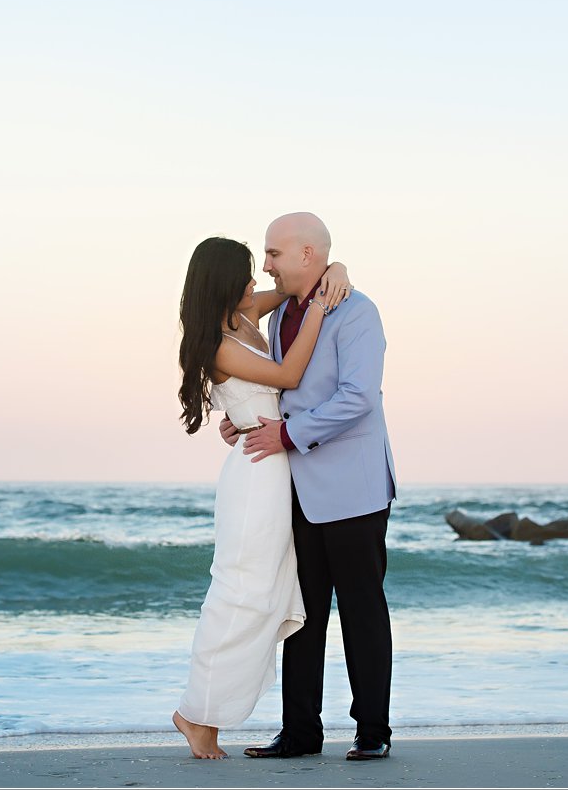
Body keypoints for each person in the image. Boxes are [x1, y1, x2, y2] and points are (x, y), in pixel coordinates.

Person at [171, 236, 353, 760]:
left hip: (272, 466)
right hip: (254, 474)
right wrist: (321, 306)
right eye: (247, 274)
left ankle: (204, 711)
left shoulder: (245, 313)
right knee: (239, 592)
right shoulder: (219, 342)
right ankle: (196, 714)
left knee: (266, 589)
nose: (258, 282)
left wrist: (335, 266)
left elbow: (298, 283)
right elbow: (288, 374)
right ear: (223, 282)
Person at [228, 212, 398, 762]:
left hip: (354, 488)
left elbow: (357, 398)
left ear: (307, 255)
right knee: (301, 614)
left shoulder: (358, 312)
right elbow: (282, 388)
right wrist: (248, 423)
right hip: (295, 486)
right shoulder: (281, 316)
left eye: (274, 253)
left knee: (361, 611)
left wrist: (289, 434)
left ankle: (373, 731)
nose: (266, 264)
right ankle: (300, 733)